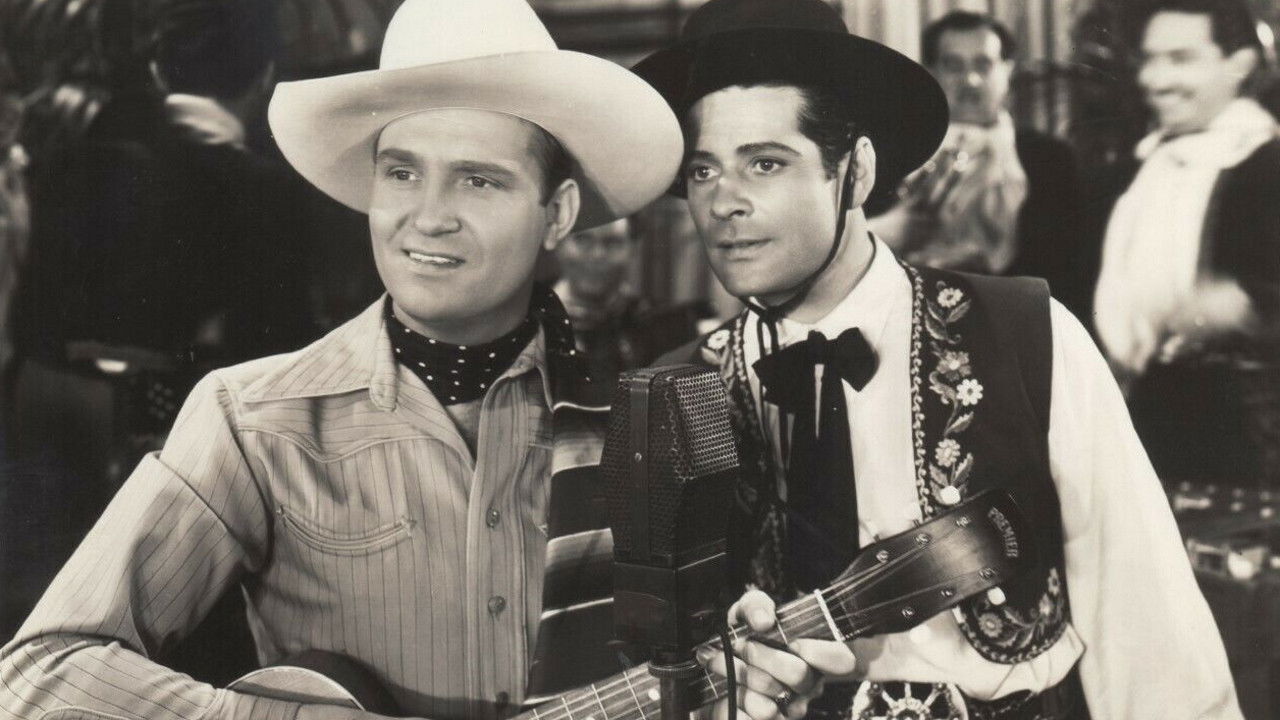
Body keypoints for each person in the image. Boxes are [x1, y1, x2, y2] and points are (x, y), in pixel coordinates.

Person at [0, 0, 684, 718]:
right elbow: (39, 673)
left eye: (478, 180)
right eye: (402, 173)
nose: (428, 216)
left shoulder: (632, 432)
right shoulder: (251, 418)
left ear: (558, 213)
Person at [632, 0, 1241, 717]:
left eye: (765, 163)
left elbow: (1145, 621)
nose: (723, 203)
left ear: (855, 172)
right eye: (703, 171)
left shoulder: (1025, 334)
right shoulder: (682, 388)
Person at [1095, 0, 1280, 490]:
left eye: (1180, 59)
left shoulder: (1268, 166)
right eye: (1149, 60)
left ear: (1239, 65)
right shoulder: (1141, 171)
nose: (1154, 80)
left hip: (1249, 446)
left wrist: (1231, 307)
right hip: (1152, 424)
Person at [868, 11, 1091, 320]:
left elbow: (1068, 275)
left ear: (1007, 70)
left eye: (983, 65)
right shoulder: (890, 155)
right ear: (931, 71)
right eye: (953, 66)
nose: (970, 80)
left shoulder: (1050, 159)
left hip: (1014, 321)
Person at [551, 217, 710, 386]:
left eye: (613, 242)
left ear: (632, 250)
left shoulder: (659, 326)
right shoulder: (536, 317)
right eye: (582, 240)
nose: (597, 254)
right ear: (558, 243)